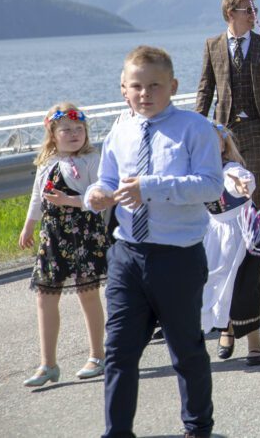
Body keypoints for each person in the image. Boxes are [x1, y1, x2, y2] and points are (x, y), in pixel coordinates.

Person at [86, 46, 223, 438]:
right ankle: (117, 431)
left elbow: (211, 185)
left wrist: (152, 188)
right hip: (127, 254)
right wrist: (96, 193)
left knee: (186, 350)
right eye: (136, 86)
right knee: (119, 352)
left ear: (173, 86)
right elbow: (108, 180)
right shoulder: (120, 129)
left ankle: (198, 427)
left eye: (154, 86)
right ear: (123, 89)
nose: (145, 94)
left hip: (176, 256)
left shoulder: (194, 128)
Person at [19, 104, 107, 387]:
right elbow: (37, 196)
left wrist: (69, 201)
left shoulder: (91, 158)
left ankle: (97, 355)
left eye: (79, 129)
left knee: (88, 294)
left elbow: (99, 198)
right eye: (66, 130)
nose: (74, 134)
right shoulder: (47, 160)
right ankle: (48, 364)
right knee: (44, 298)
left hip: (84, 234)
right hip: (53, 236)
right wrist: (29, 225)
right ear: (52, 134)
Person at [195, 0, 260, 215]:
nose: (254, 14)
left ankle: (259, 243)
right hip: (225, 131)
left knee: (254, 186)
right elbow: (205, 88)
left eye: (255, 10)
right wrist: (196, 124)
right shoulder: (212, 45)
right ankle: (239, 243)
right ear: (231, 13)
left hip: (258, 127)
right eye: (249, 10)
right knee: (229, 187)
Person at [200, 125, 260, 365]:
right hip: (214, 233)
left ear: (223, 145)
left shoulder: (230, 168)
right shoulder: (195, 172)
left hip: (243, 232)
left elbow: (241, 179)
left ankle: (254, 342)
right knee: (216, 284)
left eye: (213, 141)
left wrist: (243, 185)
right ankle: (226, 330)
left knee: (243, 289)